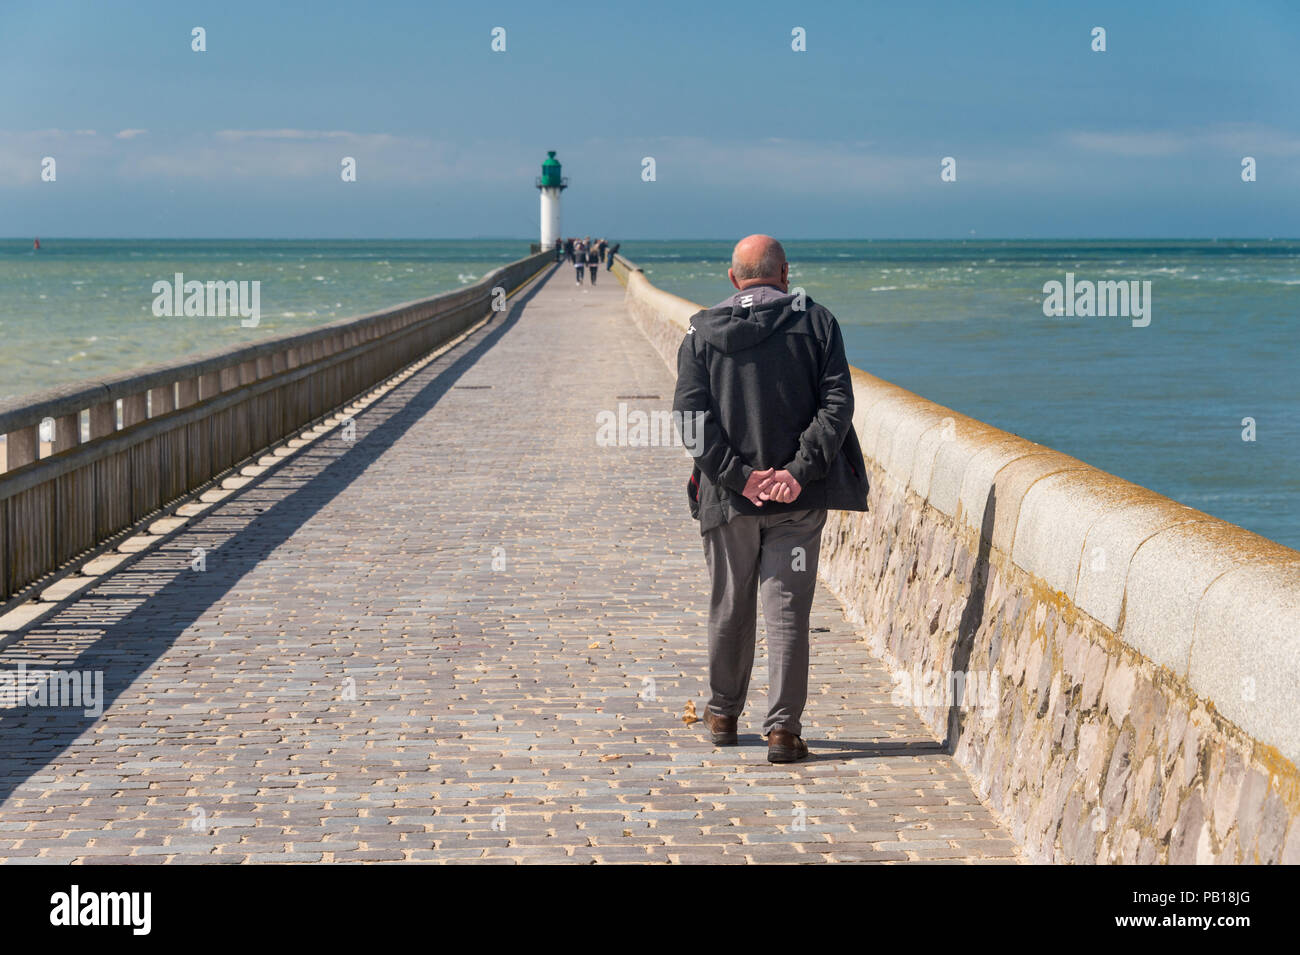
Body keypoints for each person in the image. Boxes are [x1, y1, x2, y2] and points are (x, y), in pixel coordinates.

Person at [672, 234, 869, 763]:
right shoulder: (818, 321)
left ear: (734, 279)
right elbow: (837, 405)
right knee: (787, 613)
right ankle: (782, 730)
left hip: (727, 499)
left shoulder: (700, 333)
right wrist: (796, 474)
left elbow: (691, 420)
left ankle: (722, 714)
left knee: (729, 606)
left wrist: (740, 477)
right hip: (796, 502)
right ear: (785, 275)